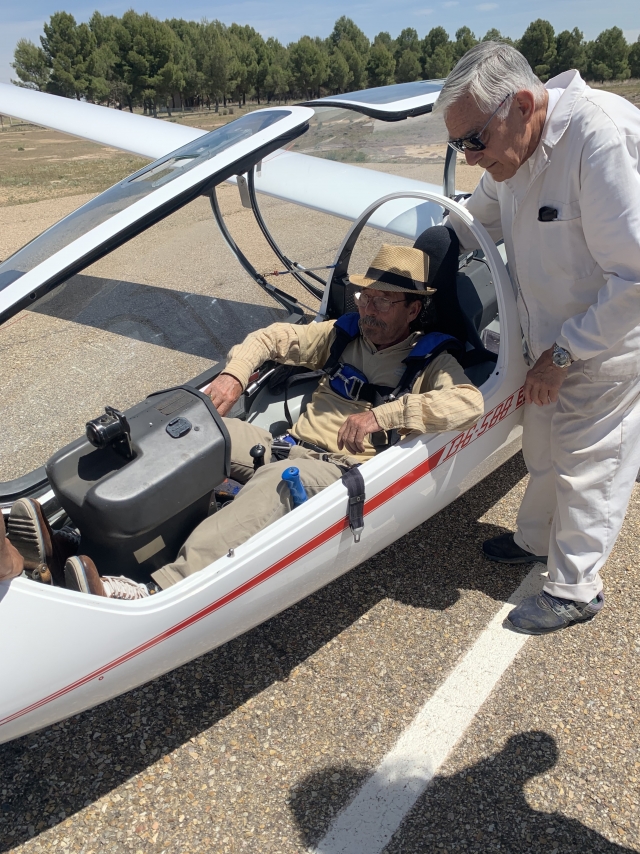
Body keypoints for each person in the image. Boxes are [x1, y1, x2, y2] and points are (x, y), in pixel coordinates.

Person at [2, 236, 484, 599]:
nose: (367, 306)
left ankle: (153, 589)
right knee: (190, 429)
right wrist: (234, 376)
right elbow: (268, 338)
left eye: (382, 299)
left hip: (335, 472)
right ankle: (70, 534)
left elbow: (469, 405)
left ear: (414, 308)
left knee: (275, 483)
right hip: (282, 444)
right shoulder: (343, 334)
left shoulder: (431, 362)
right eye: (364, 295)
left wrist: (386, 415)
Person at [436, 41, 640, 634]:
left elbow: (634, 274)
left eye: (473, 140)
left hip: (605, 340)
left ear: (523, 104)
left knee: (590, 459)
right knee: (543, 444)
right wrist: (430, 253)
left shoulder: (598, 139)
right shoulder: (510, 151)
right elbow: (479, 219)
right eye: (458, 146)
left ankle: (576, 587)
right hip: (547, 338)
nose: (470, 157)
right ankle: (534, 540)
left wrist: (564, 352)